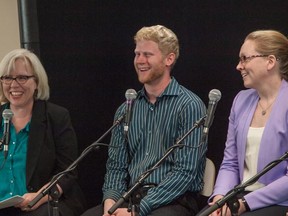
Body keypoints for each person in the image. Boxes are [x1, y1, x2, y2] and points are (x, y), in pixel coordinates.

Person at [81, 25, 207, 216]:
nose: (140, 60)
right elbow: (116, 166)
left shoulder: (190, 105)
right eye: (137, 54)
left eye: (147, 54)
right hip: (130, 198)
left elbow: (184, 173)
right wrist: (110, 203)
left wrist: (139, 210)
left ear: (169, 59)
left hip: (173, 201)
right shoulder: (126, 109)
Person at [206, 30, 288, 216]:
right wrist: (220, 199)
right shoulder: (241, 101)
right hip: (239, 197)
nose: (238, 66)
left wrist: (244, 203)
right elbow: (230, 162)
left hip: (279, 201)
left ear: (270, 61)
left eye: (245, 59)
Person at [0, 48, 86, 216]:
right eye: (7, 78)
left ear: (37, 82)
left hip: (44, 203)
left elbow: (67, 172)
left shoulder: (56, 117)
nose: (14, 84)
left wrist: (39, 196)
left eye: (22, 77)